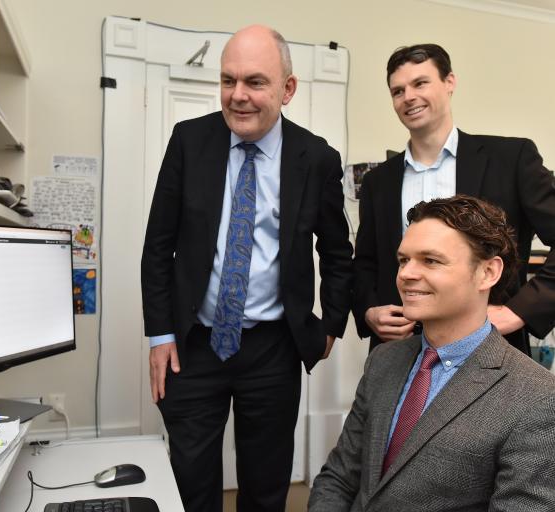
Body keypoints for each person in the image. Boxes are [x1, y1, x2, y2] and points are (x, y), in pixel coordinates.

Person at [141, 24, 353, 512]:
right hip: (191, 347)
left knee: (265, 485)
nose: (238, 96)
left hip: (273, 351)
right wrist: (160, 335)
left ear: (287, 89)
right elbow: (158, 247)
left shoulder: (316, 158)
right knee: (190, 483)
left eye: (255, 82)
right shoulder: (188, 141)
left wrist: (330, 327)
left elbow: (339, 254)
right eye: (227, 80)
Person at [309, 195, 555, 512]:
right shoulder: (383, 361)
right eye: (403, 260)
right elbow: (339, 478)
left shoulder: (535, 396)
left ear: (488, 273)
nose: (407, 274)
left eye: (431, 261)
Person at [353, 43, 555, 353]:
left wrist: (519, 312)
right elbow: (366, 262)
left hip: (489, 347)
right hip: (399, 350)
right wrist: (370, 310)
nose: (409, 97)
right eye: (398, 91)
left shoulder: (511, 159)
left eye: (420, 83)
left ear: (450, 83)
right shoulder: (377, 182)